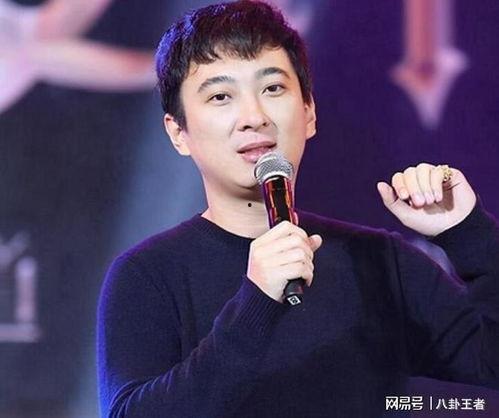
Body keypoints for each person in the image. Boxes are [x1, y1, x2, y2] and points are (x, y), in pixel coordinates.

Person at [96, 1, 499, 417]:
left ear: (309, 112)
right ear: (178, 133)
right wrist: (256, 303)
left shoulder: (378, 262)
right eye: (221, 96)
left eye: (272, 89)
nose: (254, 117)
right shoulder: (148, 275)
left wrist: (468, 233)